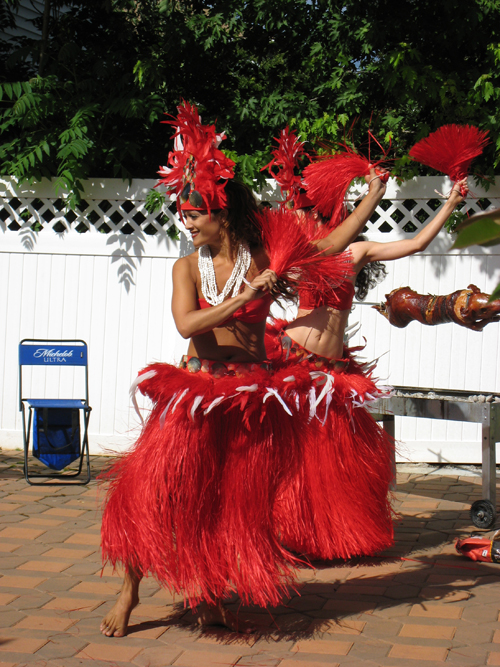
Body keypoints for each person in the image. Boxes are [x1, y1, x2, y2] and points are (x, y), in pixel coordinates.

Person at [99, 103, 317, 637]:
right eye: (184, 214)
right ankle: (128, 592)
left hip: (247, 392)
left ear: (221, 213)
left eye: (195, 214)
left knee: (228, 502)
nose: (187, 222)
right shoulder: (185, 266)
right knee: (153, 490)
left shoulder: (266, 259)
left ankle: (212, 594)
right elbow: (187, 323)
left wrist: (374, 196)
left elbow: (332, 247)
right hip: (196, 390)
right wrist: (246, 295)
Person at [270, 174, 468, 561]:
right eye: (296, 215)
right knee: (298, 456)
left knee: (334, 457)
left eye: (304, 214)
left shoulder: (355, 253)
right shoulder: (300, 254)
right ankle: (287, 532)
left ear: (324, 215)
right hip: (295, 362)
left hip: (335, 367)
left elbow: (415, 243)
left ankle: (321, 535)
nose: (298, 221)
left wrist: (450, 203)